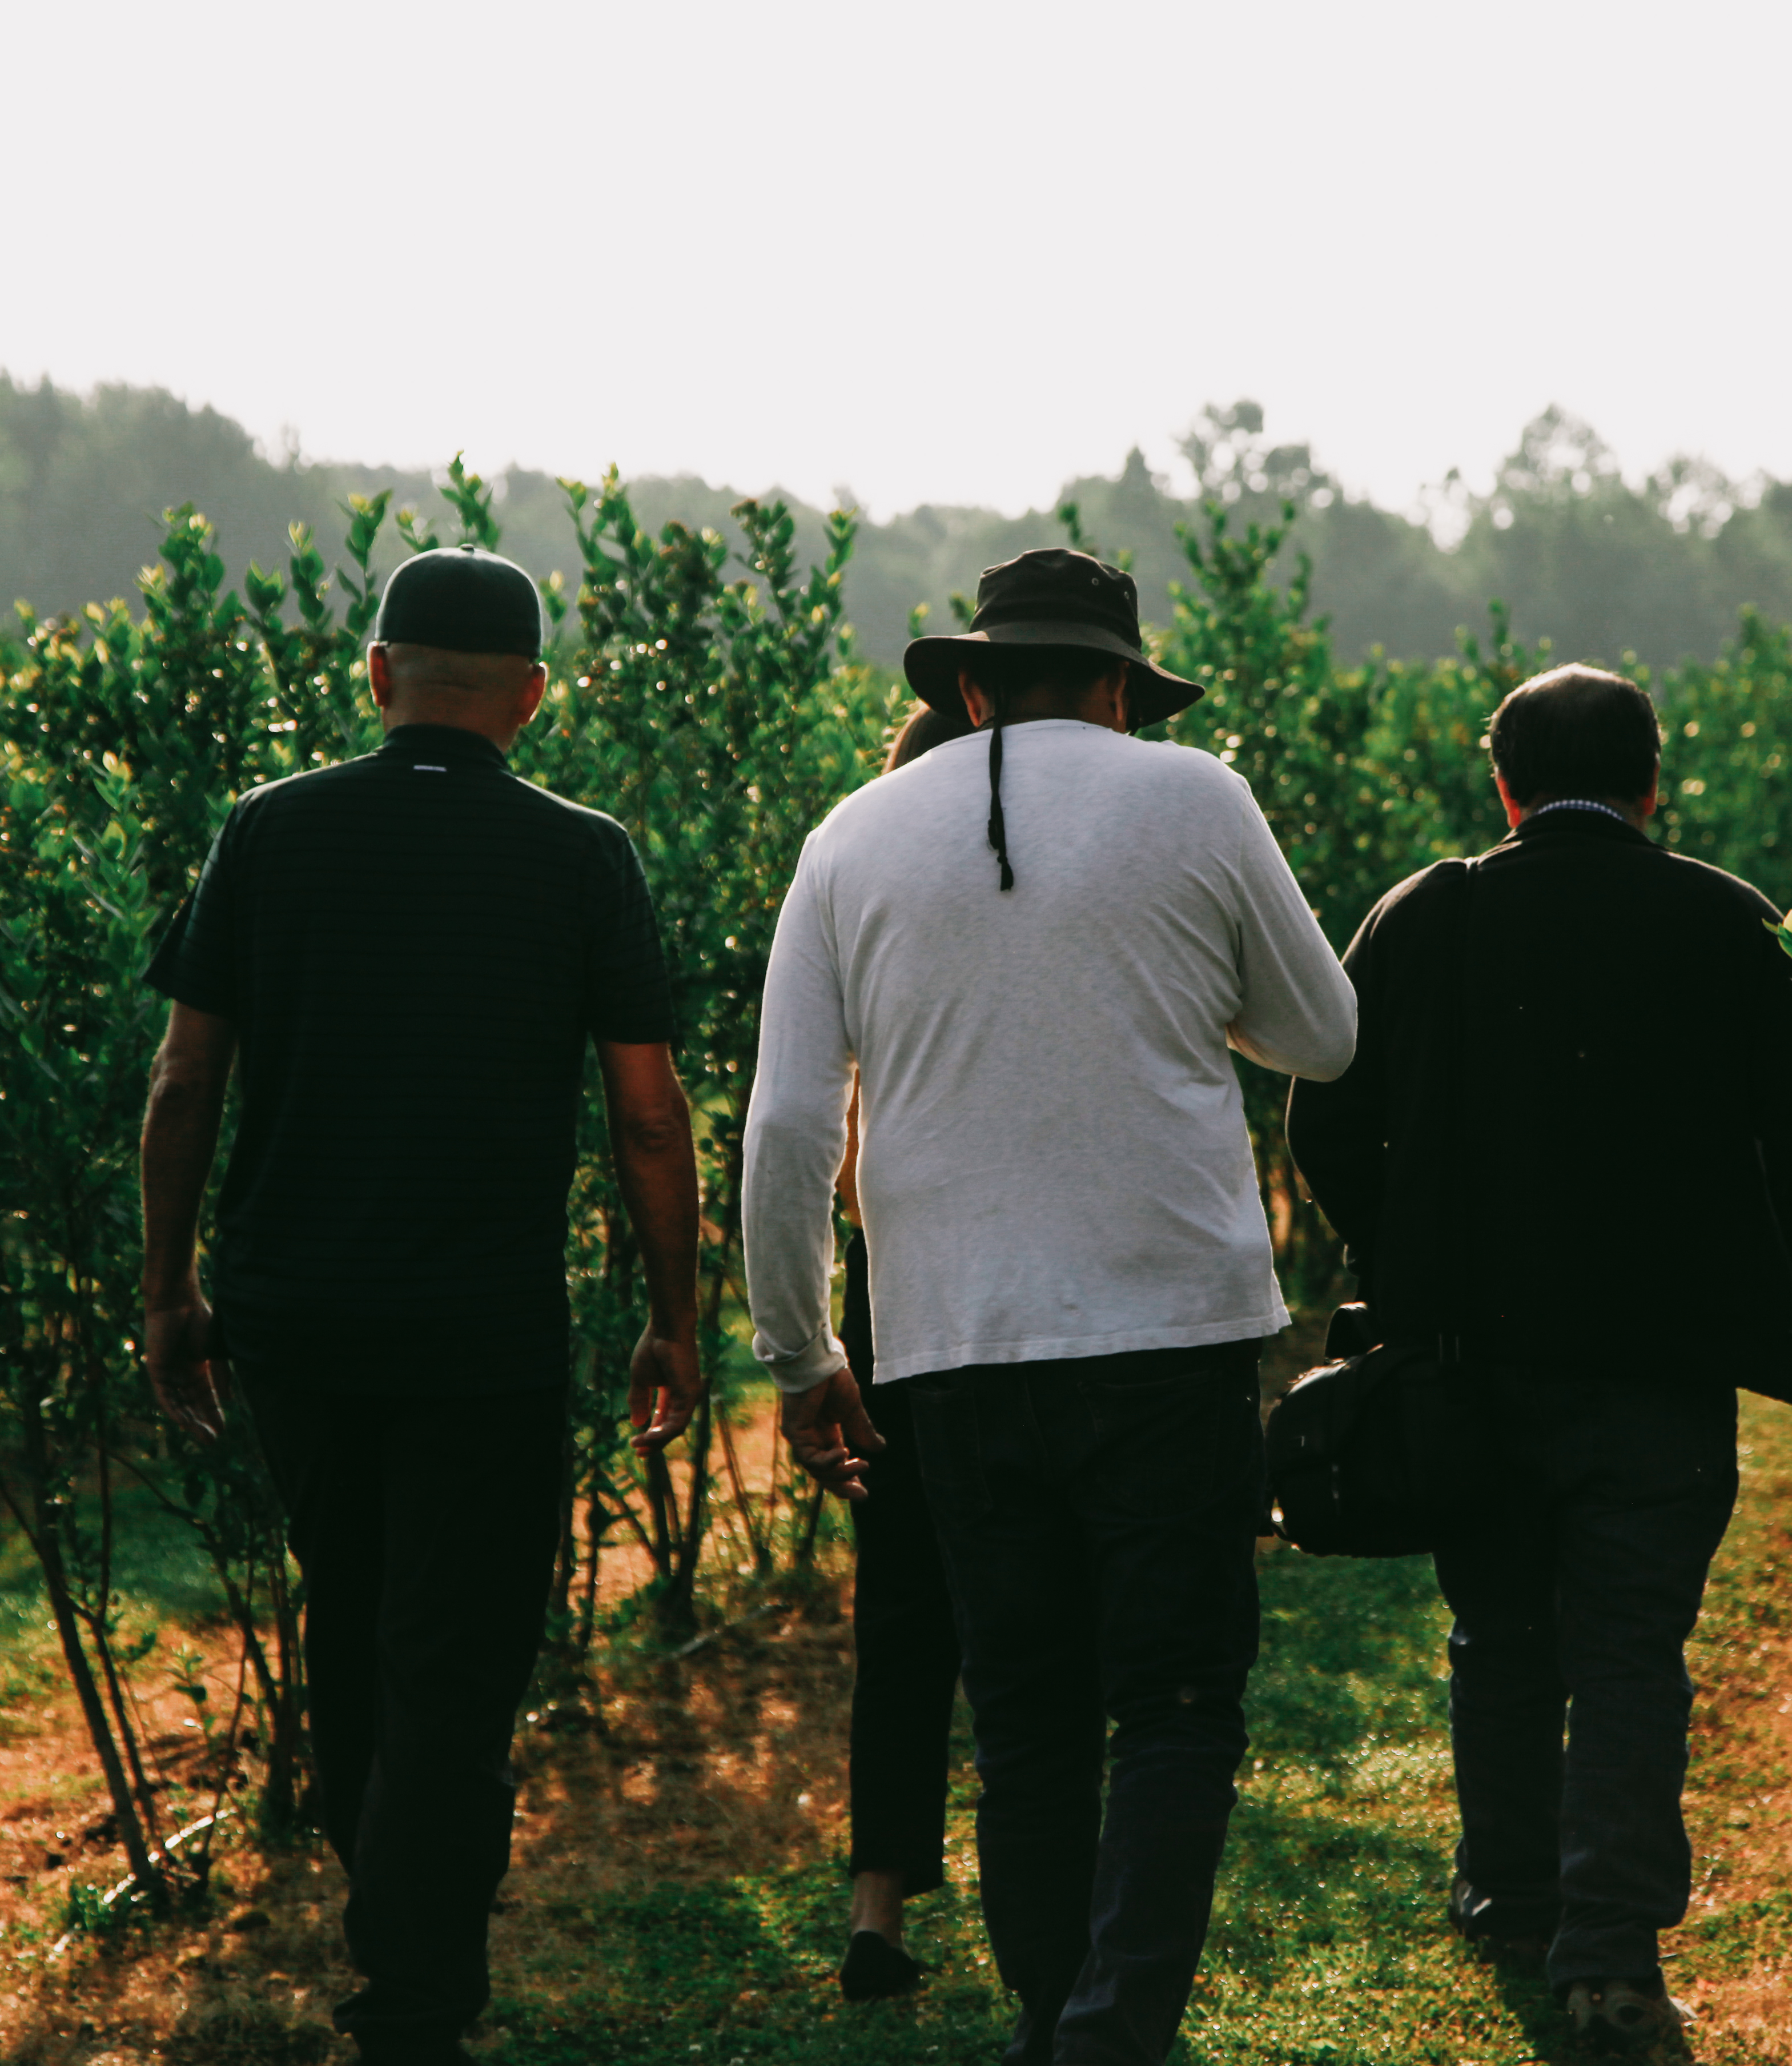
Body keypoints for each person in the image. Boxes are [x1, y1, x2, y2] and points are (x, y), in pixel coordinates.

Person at [743, 546, 1357, 2066]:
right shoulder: (1193, 798)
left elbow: (784, 1125)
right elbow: (1323, 1036)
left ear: (965, 685)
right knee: (1173, 1699)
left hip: (949, 1346)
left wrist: (802, 1348)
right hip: (1168, 1329)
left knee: (1023, 1718)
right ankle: (1105, 2036)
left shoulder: (850, 839)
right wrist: (1166, 982)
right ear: (1117, 686)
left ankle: (1056, 2028)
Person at [136, 545, 704, 2066]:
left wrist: (169, 1286)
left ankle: (397, 1930)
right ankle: (415, 1997)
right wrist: (675, 1317)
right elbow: (649, 1118)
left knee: (352, 1611)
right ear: (530, 697)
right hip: (481, 1332)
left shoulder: (268, 833)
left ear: (377, 677)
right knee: (453, 1657)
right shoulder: (583, 859)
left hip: (297, 1321)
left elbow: (186, 1073)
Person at [1285, 663, 1792, 2060]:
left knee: (1499, 1633)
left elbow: (1326, 1120)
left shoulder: (1422, 920)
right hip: (1658, 1374)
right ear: (1650, 782)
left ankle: (1509, 1897)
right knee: (1628, 1653)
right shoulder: (1723, 919)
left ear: (1501, 784)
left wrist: (1401, 1256)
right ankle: (1607, 1959)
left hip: (1460, 1366)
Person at [809, 701, 975, 2003]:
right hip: (1014, 1294)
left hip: (895, 1296)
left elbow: (844, 1160)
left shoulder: (868, 904)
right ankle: (1066, 1891)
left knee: (902, 1610)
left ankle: (879, 1904)